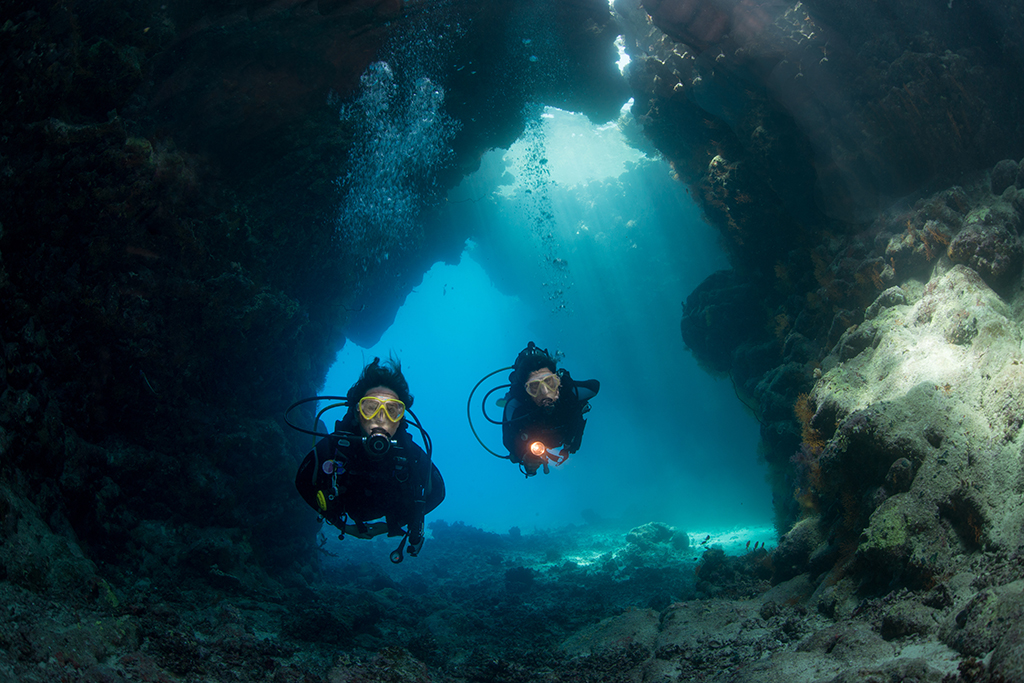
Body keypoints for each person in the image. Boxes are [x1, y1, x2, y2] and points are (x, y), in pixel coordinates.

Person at [294, 357, 444, 561]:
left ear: (400, 420)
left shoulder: (411, 455)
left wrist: (391, 524)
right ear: (357, 413)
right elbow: (303, 483)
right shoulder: (335, 447)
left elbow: (438, 492)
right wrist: (340, 523)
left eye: (392, 410)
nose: (381, 418)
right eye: (371, 407)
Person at [502, 342, 600, 477]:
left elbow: (594, 387)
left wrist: (567, 385)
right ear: (526, 391)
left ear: (557, 381)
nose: (545, 392)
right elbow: (509, 440)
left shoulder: (567, 393)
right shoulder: (516, 406)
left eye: (549, 383)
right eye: (534, 387)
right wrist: (525, 456)